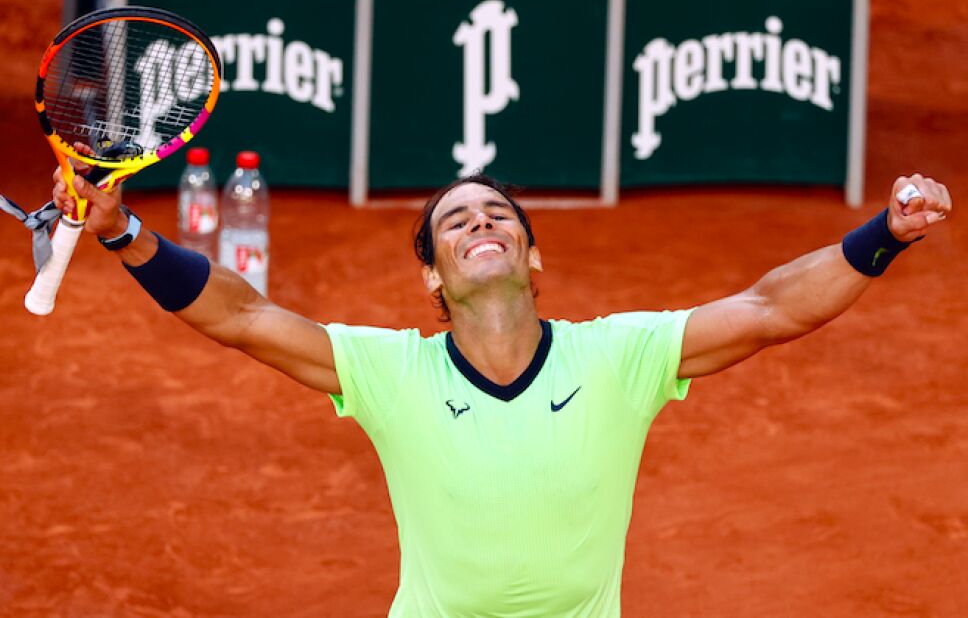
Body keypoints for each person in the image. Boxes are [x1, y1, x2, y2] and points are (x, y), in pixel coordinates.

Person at [52, 168, 951, 617]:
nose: (479, 223)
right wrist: (128, 232)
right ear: (433, 280)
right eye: (454, 222)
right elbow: (241, 316)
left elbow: (768, 309)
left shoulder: (620, 357)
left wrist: (886, 233)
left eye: (499, 217)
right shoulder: (390, 372)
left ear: (531, 254)